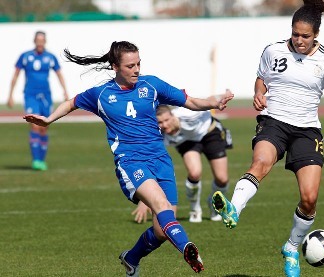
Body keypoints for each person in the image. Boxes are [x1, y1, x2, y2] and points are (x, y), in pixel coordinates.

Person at [23, 41, 234, 276]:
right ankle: (188, 248)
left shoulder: (151, 85)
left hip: (161, 160)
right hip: (131, 162)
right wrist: (49, 119)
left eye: (138, 64)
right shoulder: (101, 94)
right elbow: (72, 102)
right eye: (130, 65)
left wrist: (213, 102)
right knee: (162, 206)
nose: (136, 70)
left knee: (162, 229)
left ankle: (131, 258)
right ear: (115, 67)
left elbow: (191, 101)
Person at [211, 1, 324, 277]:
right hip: (273, 121)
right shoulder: (272, 50)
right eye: (295, 33)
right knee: (261, 162)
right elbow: (261, 79)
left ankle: (291, 247)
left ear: (316, 35)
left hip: (307, 130)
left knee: (309, 199)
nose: (298, 40)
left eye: (305, 36)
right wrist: (258, 93)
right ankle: (233, 209)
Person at [131, 105, 232, 224]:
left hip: (209, 133)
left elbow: (205, 105)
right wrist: (144, 200)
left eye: (167, 120)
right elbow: (151, 163)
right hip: (187, 142)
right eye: (160, 122)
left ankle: (214, 203)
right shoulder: (158, 134)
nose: (164, 125)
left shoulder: (188, 114)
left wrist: (219, 100)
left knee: (222, 179)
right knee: (194, 173)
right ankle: (195, 209)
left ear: (173, 115)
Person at [7, 31, 68, 171]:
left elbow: (59, 74)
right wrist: (10, 95)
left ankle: (41, 160)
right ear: (34, 41)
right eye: (38, 40)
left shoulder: (50, 57)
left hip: (46, 96)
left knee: (44, 127)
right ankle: (35, 161)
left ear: (45, 42)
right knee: (34, 125)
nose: (40, 43)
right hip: (30, 96)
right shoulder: (25, 56)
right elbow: (15, 75)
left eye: (42, 40)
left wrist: (65, 91)